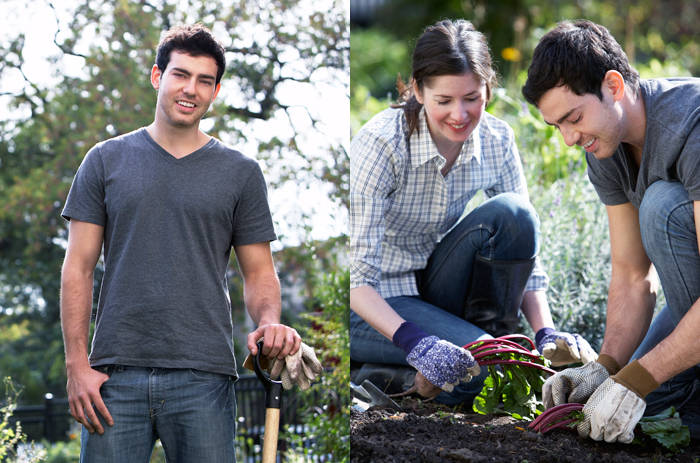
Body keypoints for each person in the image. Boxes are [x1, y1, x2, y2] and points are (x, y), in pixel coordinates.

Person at [60, 23, 314, 462]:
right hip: (114, 376)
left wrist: (269, 320)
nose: (191, 89)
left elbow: (259, 273)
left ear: (215, 91)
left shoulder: (240, 173)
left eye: (204, 80)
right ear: (158, 77)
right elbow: (77, 268)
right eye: (180, 74)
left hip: (204, 377)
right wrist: (77, 367)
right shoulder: (105, 159)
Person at [349, 19, 596, 407]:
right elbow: (356, 281)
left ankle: (482, 343)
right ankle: (373, 374)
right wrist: (417, 343)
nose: (460, 115)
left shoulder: (497, 140)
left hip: (432, 288)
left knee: (515, 213)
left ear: (488, 89)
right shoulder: (381, 145)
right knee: (479, 370)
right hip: (371, 305)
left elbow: (526, 247)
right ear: (417, 90)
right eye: (443, 101)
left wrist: (545, 333)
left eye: (472, 98)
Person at [522, 19, 700, 443]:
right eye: (556, 126)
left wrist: (639, 379)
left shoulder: (692, 126)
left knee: (660, 206)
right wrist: (606, 365)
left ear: (614, 86)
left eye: (573, 117)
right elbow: (632, 275)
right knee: (611, 406)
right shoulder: (604, 141)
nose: (567, 138)